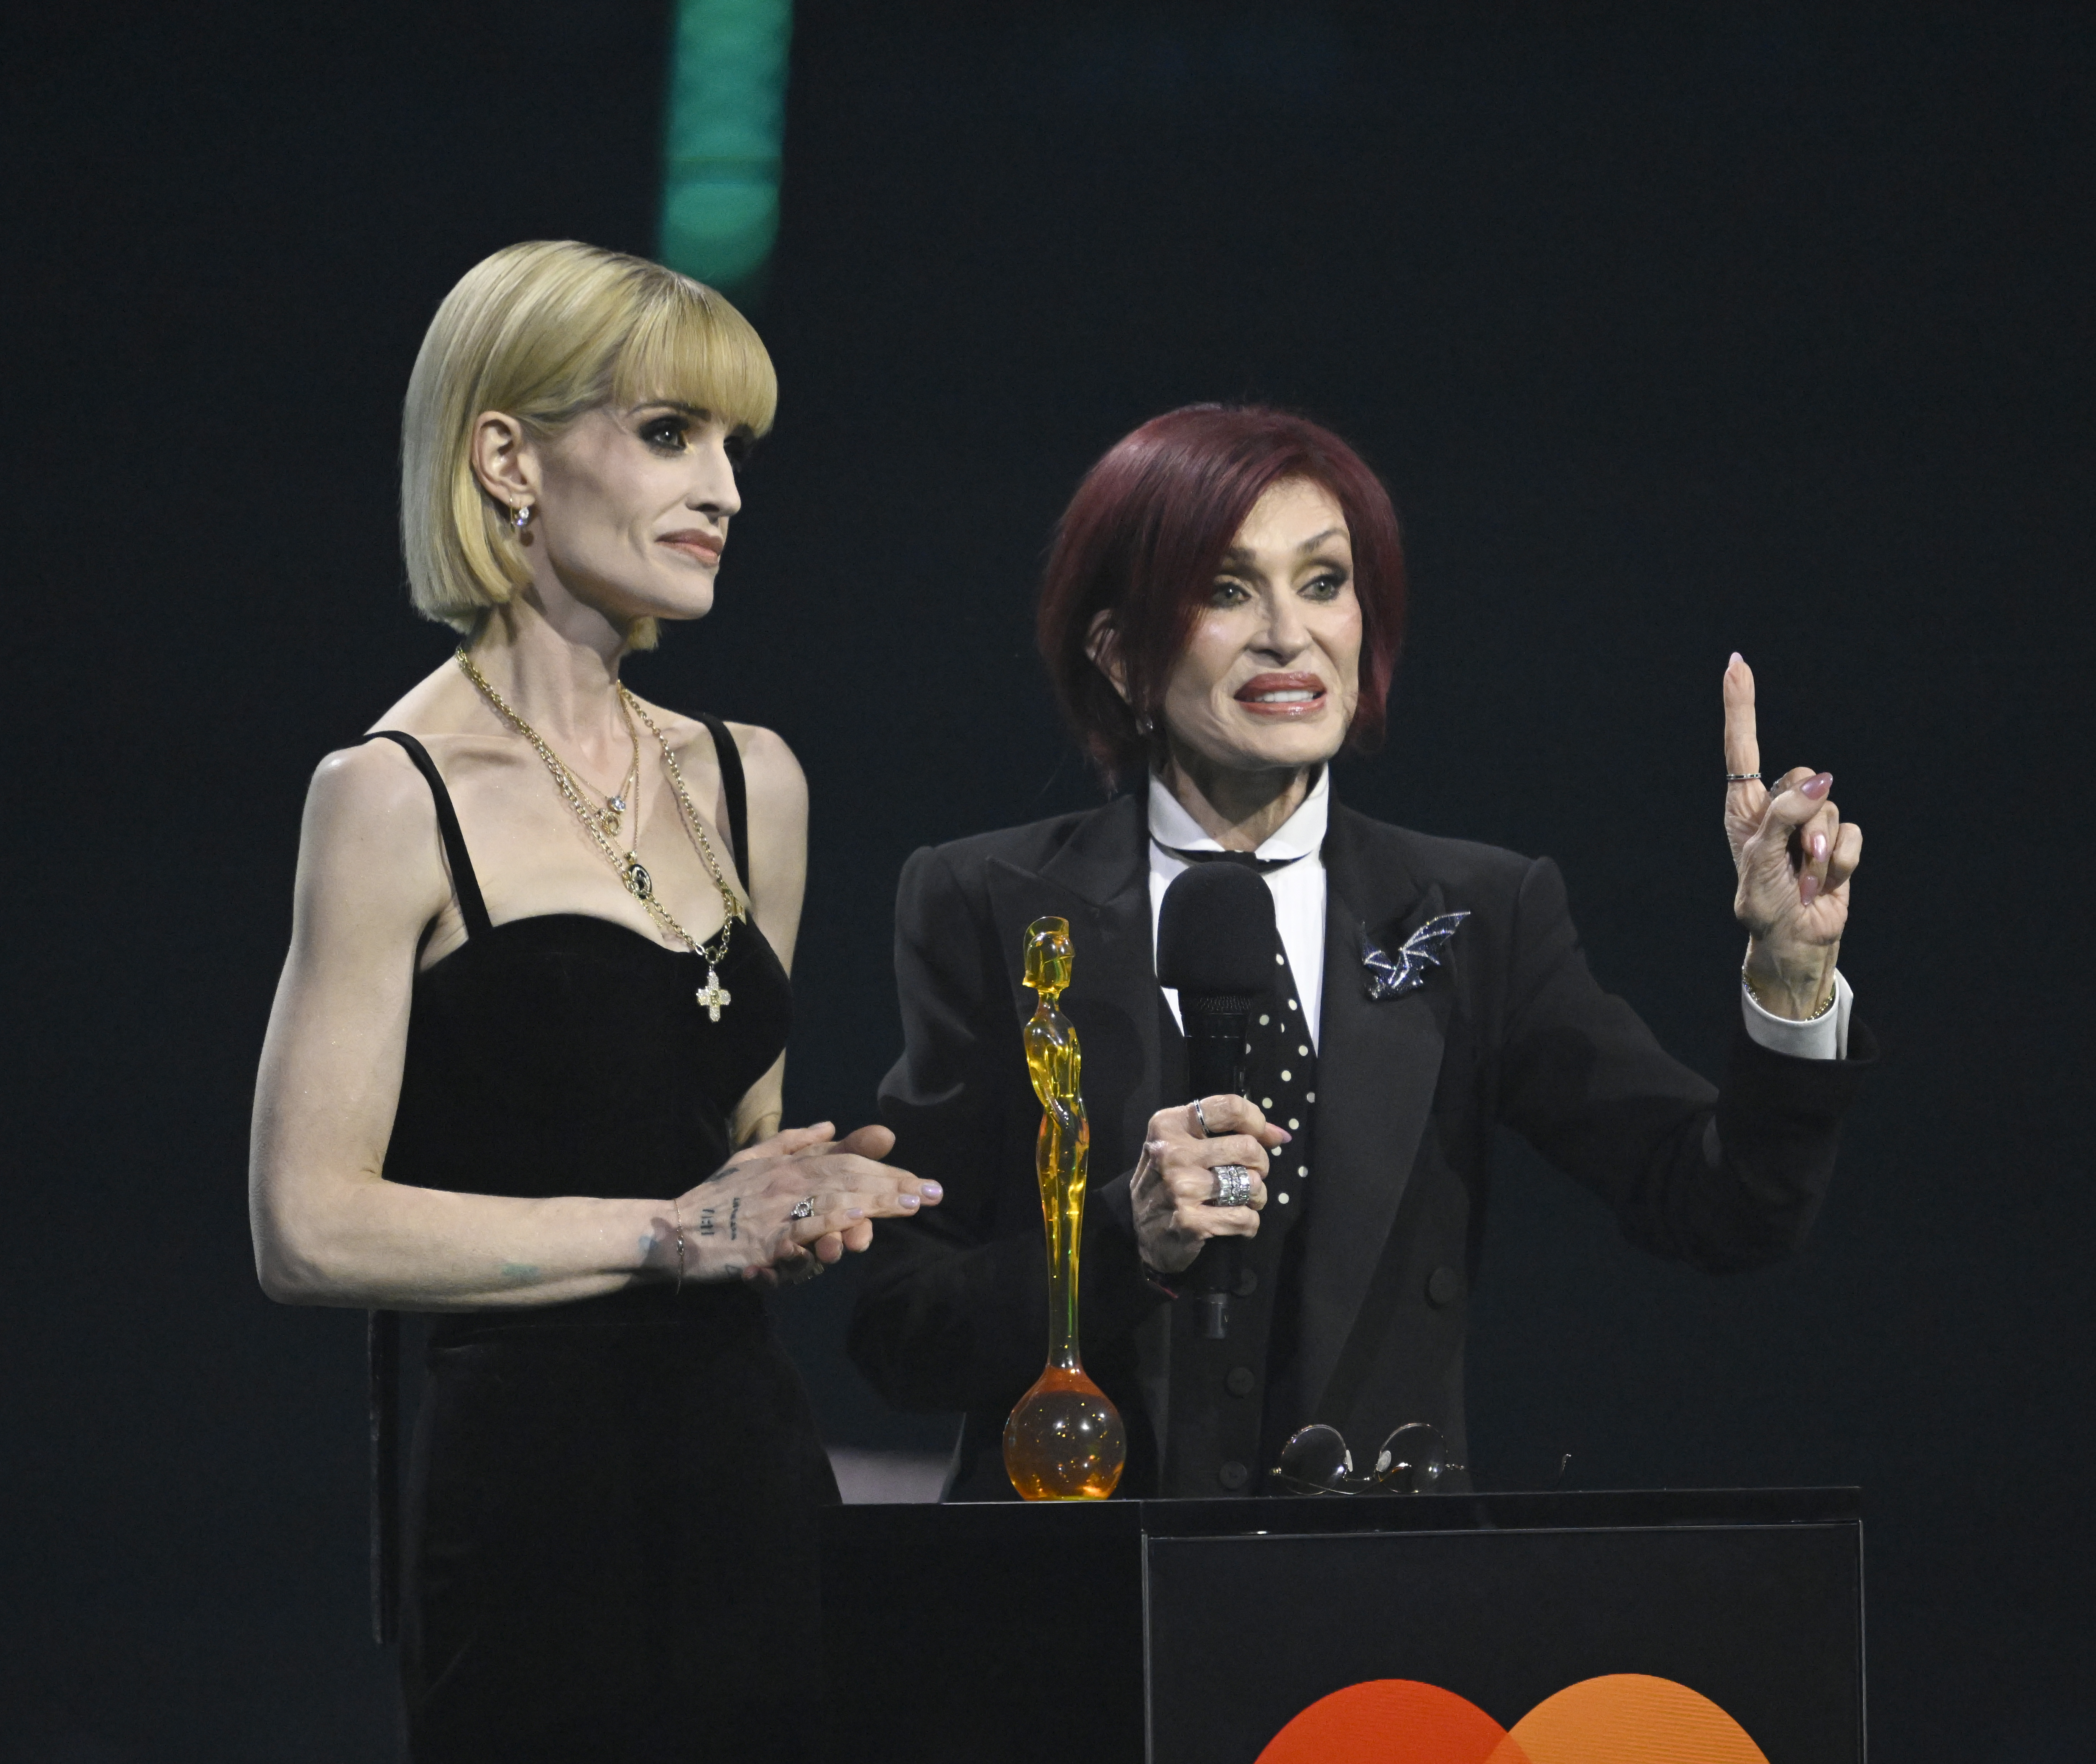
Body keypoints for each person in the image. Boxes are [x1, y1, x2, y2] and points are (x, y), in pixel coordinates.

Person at [847, 404, 1872, 1501]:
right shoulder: (983, 901)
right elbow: (899, 1323)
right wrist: (1121, 1237)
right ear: (1119, 654)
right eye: (1226, 589)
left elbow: (1721, 1205)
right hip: (1082, 1610)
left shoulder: (1481, 910)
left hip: (1370, 1623)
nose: (1288, 633)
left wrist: (1789, 974)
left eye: (1323, 581)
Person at [246, 241, 936, 1760]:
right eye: (672, 434)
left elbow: (729, 1148)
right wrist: (665, 1233)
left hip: (749, 1480)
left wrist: (794, 1201)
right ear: (507, 456)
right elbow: (307, 1226)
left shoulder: (756, 780)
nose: (727, 492)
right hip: (528, 1509)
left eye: (736, 449)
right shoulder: (389, 795)